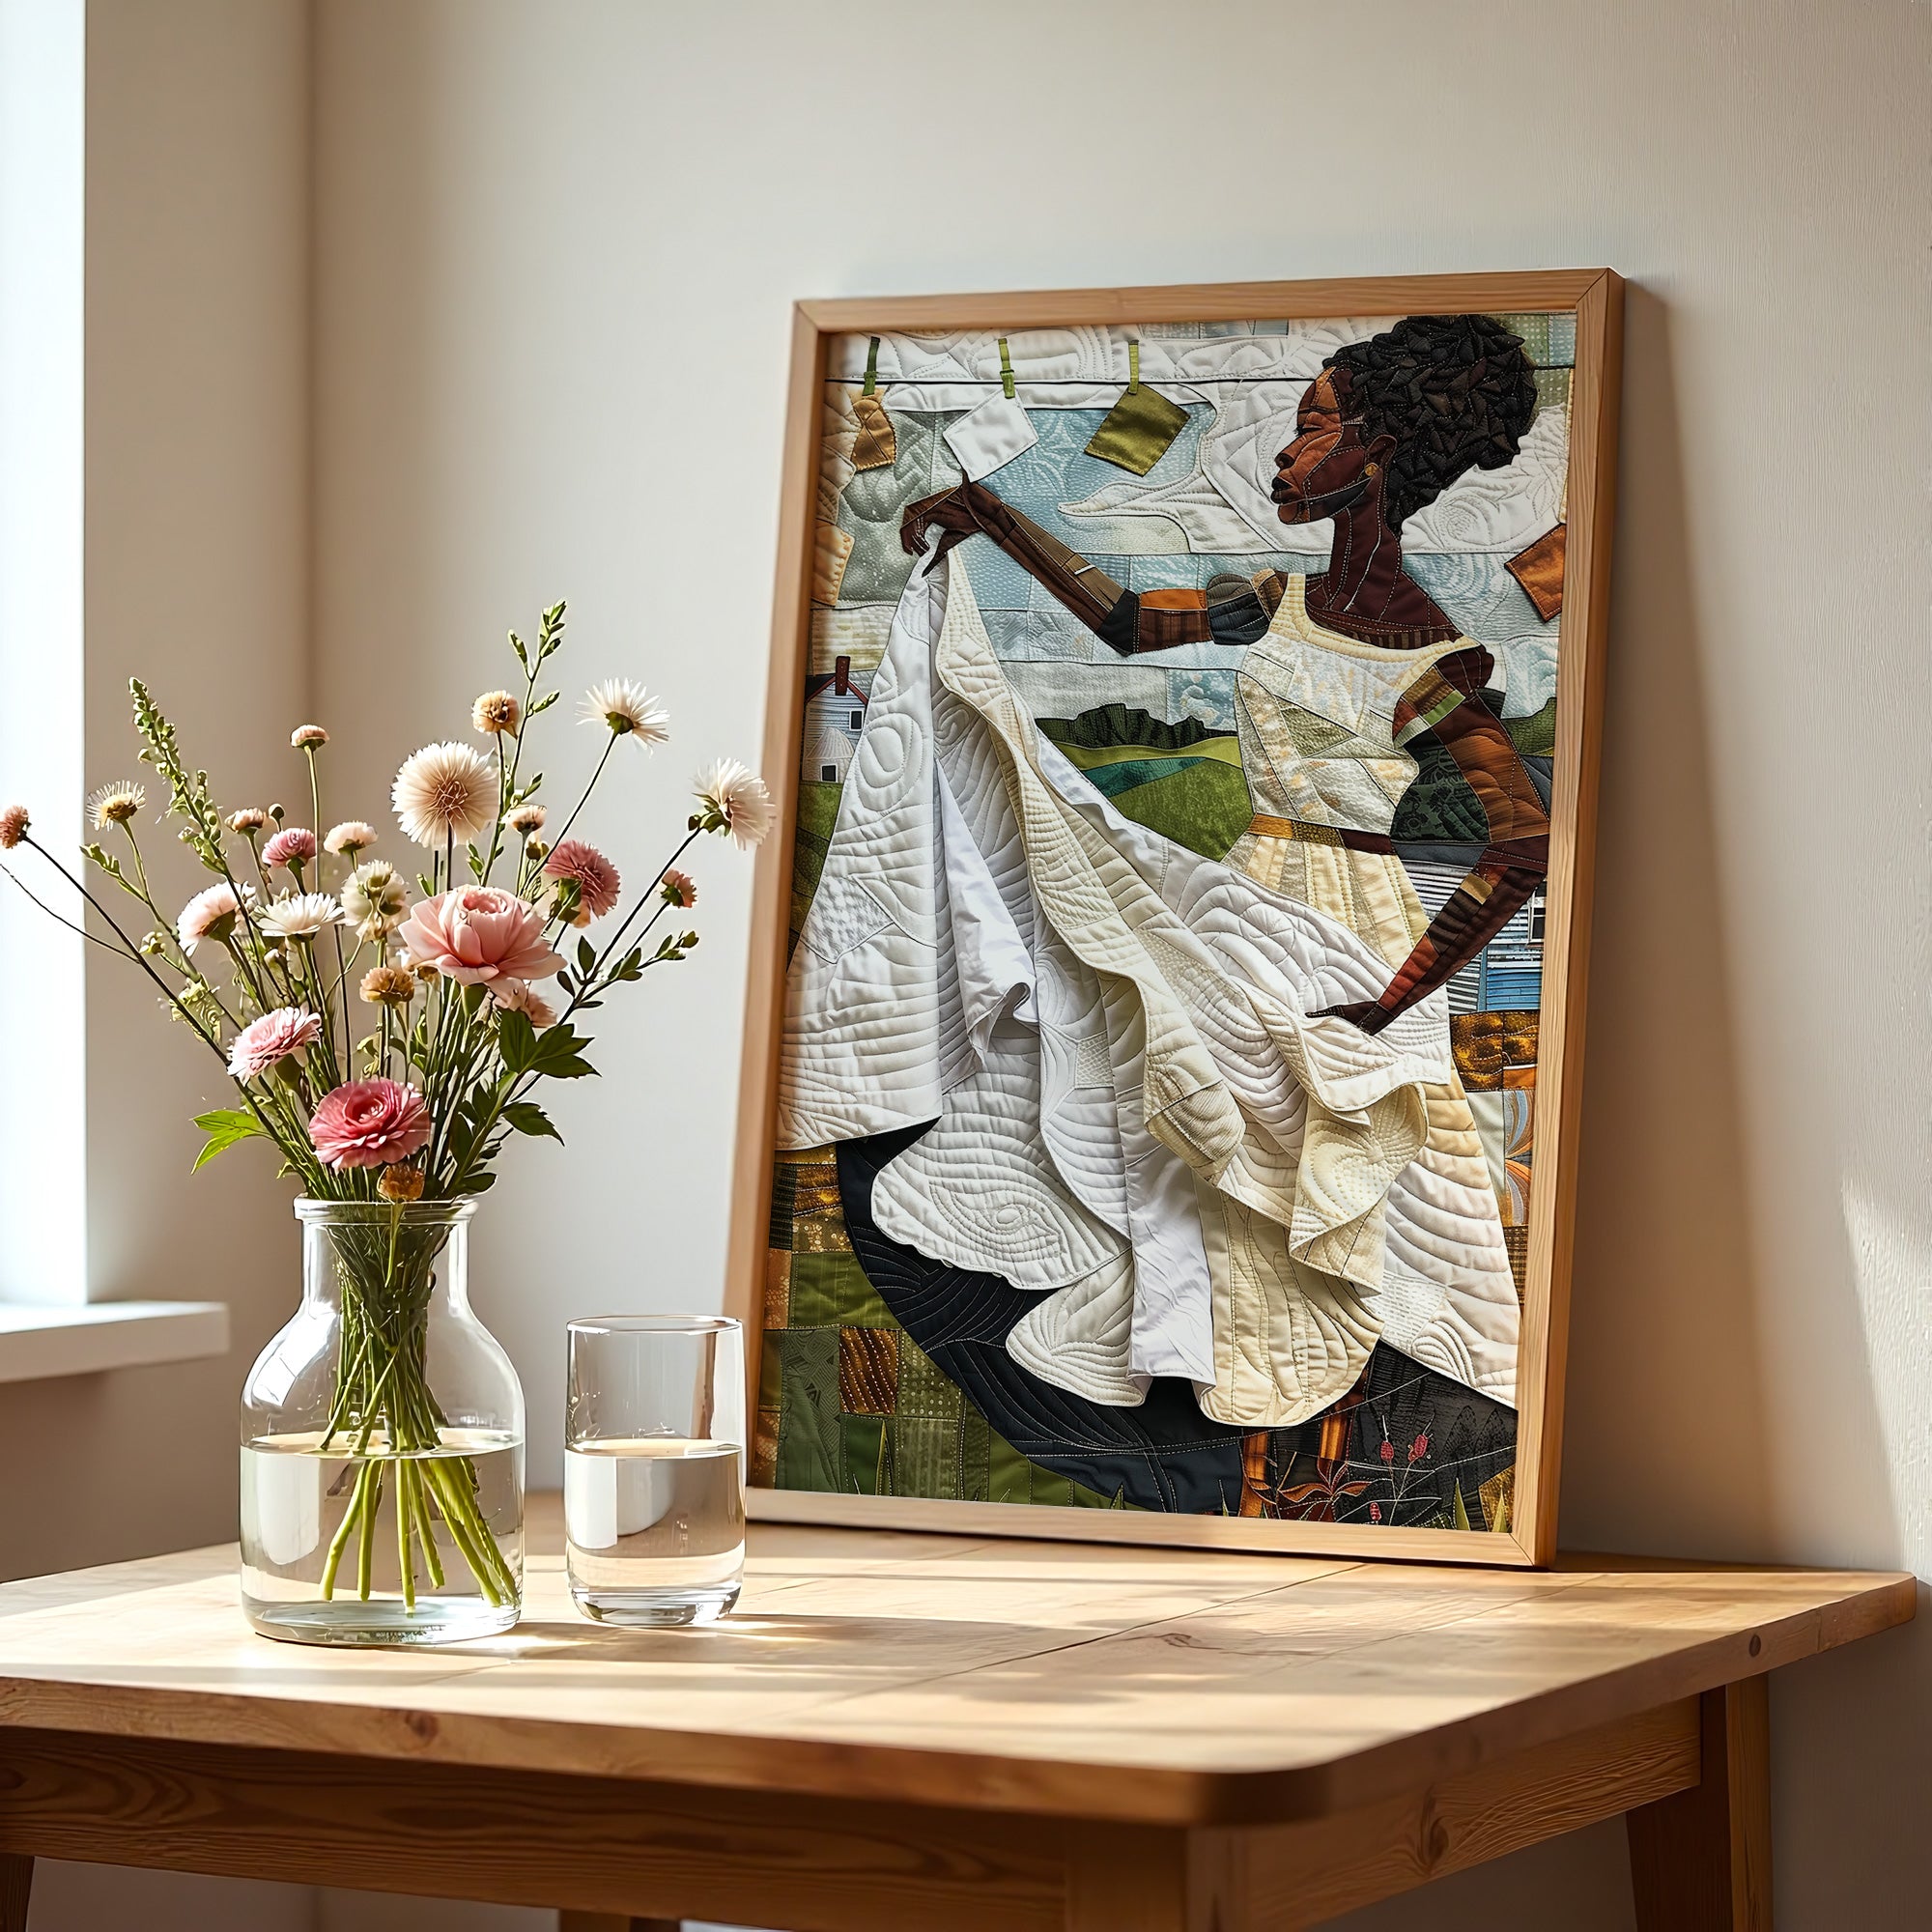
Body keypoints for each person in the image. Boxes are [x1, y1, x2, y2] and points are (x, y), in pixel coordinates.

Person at [899, 312, 1550, 1034]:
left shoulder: (1430, 659)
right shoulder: (1280, 600)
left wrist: (1390, 1003)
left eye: (1314, 428)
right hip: (1238, 904)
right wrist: (991, 514)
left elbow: (1524, 845)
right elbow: (1127, 621)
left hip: (1358, 937)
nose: (1285, 453)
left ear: (1377, 454)